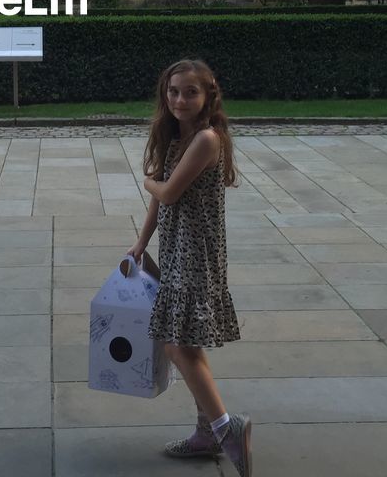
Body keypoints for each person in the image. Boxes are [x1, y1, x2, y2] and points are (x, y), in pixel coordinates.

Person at [126, 58, 251, 477]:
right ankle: (206, 432)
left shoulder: (206, 139)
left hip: (197, 251)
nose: (180, 99)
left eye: (190, 92)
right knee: (184, 342)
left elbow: (168, 191)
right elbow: (160, 199)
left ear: (208, 96)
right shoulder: (174, 135)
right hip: (177, 245)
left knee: (176, 343)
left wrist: (148, 180)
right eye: (174, 91)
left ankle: (224, 427)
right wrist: (143, 241)